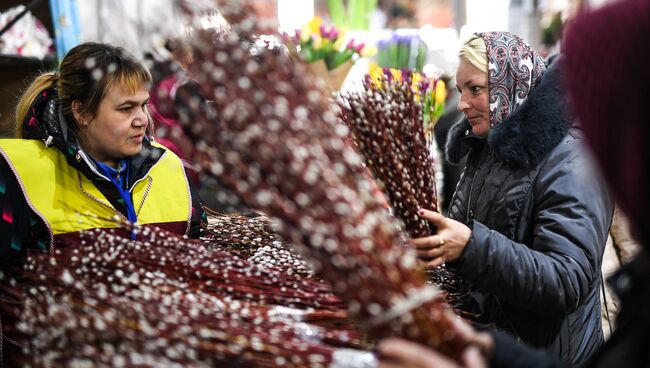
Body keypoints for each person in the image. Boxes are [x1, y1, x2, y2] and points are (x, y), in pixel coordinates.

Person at [408, 32, 613, 366]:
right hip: (496, 349)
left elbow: (567, 279)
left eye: (475, 89)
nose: (461, 104)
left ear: (510, 82)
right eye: (461, 91)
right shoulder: (486, 148)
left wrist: (471, 247)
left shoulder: (572, 161)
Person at [0, 42, 206, 260]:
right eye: (126, 109)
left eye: (143, 105)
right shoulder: (17, 173)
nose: (143, 120)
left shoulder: (168, 166)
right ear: (81, 112)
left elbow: (200, 257)